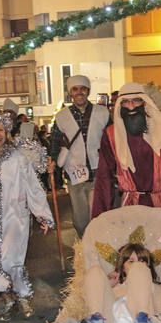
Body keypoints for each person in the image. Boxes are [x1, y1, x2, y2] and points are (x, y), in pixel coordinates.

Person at [0, 110, 54, 321]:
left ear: (6, 133)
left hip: (15, 218)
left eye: (1, 130)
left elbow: (32, 186)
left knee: (10, 259)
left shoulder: (18, 158)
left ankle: (23, 298)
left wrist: (42, 214)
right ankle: (8, 299)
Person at [92, 82, 161, 218]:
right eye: (125, 102)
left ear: (144, 102)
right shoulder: (111, 135)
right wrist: (99, 216)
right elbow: (104, 178)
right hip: (131, 205)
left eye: (136, 101)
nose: (131, 107)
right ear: (119, 105)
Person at [48, 75, 110, 237]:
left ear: (88, 91)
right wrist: (53, 161)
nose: (79, 92)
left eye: (83, 89)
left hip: (99, 171)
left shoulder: (103, 113)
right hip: (74, 172)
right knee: (80, 218)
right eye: (75, 89)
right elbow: (54, 141)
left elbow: (112, 141)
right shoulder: (61, 116)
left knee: (98, 214)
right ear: (71, 93)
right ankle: (83, 245)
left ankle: (99, 245)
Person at [78, 243, 161, 323]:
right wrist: (107, 285)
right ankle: (96, 321)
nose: (136, 263)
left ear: (148, 265)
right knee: (94, 271)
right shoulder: (116, 287)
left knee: (138, 269)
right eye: (131, 261)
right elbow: (86, 300)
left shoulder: (153, 286)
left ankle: (143, 321)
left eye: (142, 261)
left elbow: (160, 312)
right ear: (123, 267)